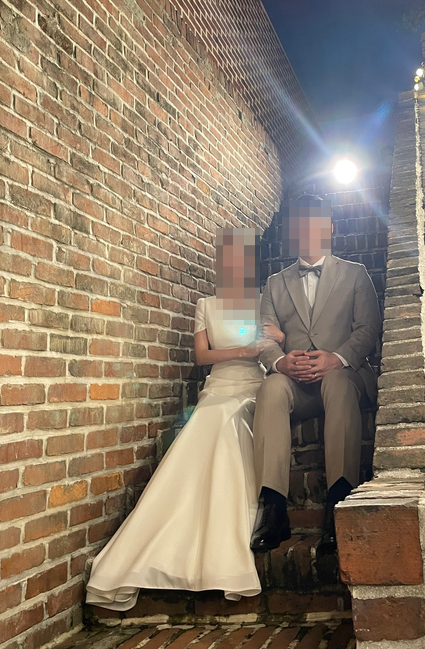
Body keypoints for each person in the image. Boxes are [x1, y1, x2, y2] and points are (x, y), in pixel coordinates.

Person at [85, 228, 284, 609]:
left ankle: (223, 538)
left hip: (252, 386)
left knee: (229, 423)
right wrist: (243, 350)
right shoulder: (205, 304)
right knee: (202, 425)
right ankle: (157, 537)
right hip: (218, 385)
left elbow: (277, 344)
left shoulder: (263, 301)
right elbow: (202, 356)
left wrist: (281, 336)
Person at [251, 194, 381, 553]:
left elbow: (368, 329)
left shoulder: (355, 273)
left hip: (345, 375)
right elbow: (265, 336)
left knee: (337, 382)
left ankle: (339, 501)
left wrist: (337, 358)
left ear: (329, 228)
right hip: (298, 383)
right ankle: (274, 508)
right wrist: (280, 362)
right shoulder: (275, 283)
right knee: (271, 387)